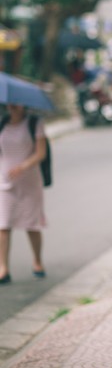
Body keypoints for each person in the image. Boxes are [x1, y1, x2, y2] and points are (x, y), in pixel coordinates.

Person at [0, 104, 48, 284]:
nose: (13, 106)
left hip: (29, 181)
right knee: (3, 225)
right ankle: (3, 268)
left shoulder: (35, 123)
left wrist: (22, 167)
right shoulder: (2, 123)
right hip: (5, 181)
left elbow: (40, 153)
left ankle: (37, 260)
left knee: (32, 224)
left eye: (16, 104)